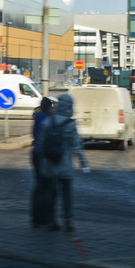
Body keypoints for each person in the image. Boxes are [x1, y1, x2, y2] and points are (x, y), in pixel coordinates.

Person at [35, 94, 88, 232]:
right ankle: (68, 220)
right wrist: (84, 164)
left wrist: (42, 162)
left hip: (50, 164)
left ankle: (51, 219)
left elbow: (40, 143)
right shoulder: (71, 124)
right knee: (67, 193)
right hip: (65, 165)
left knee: (51, 193)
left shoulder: (48, 122)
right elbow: (77, 145)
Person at [29, 97, 56, 228]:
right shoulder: (47, 120)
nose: (53, 109)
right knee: (46, 187)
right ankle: (43, 218)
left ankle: (36, 218)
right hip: (43, 157)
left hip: (36, 155)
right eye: (51, 107)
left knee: (39, 187)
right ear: (48, 108)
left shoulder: (38, 118)